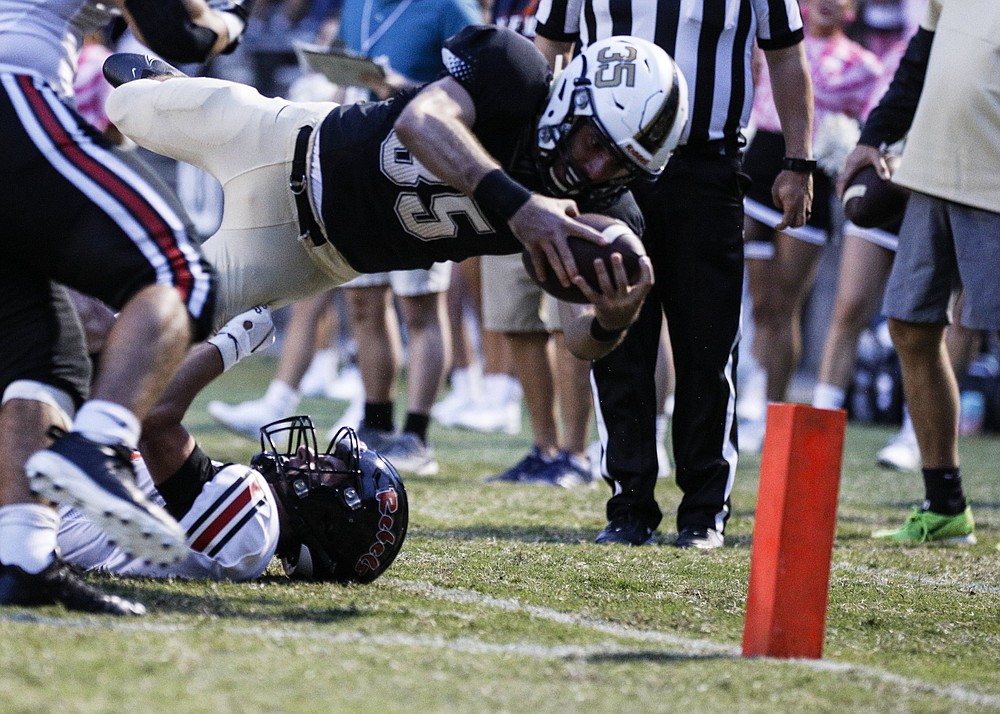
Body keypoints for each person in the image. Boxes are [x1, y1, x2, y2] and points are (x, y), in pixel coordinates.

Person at [100, 28, 688, 501]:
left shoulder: (602, 215)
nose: (595, 171)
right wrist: (520, 206)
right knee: (117, 94)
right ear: (575, 99)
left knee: (145, 323)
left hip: (304, 255)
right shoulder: (516, 71)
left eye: (620, 166)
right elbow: (420, 121)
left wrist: (616, 318)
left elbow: (579, 339)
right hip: (282, 140)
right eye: (595, 144)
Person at [0, 0, 252, 615]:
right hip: (12, 88)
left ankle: (22, 558)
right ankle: (102, 444)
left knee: (44, 352)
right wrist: (227, 23)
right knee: (179, 271)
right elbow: (178, 33)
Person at [534, 0, 814, 548]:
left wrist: (798, 160)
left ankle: (705, 509)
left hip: (707, 168)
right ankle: (629, 504)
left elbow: (785, 54)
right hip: (606, 168)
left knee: (707, 348)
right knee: (620, 343)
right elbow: (549, 50)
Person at [211, 0, 484, 477]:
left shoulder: (450, 7)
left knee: (421, 308)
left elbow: (482, 85)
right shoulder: (359, 5)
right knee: (363, 304)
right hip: (359, 165)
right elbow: (347, 78)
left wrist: (400, 88)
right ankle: (377, 423)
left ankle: (416, 434)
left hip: (420, 169)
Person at [837, 0, 1000, 547]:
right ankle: (945, 505)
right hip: (929, 173)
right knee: (909, 324)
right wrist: (873, 137)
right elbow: (920, 59)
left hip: (995, 185)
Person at [739, 0, 883, 453]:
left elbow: (872, 125)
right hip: (758, 164)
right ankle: (742, 403)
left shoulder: (865, 66)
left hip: (809, 174)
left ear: (853, 10)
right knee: (756, 303)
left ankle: (770, 412)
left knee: (784, 305)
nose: (827, 2)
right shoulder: (771, 43)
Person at [59, 411, 409, 584]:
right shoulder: (255, 525)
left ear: (329, 519)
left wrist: (228, 344)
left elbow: (157, 419)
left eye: (326, 466)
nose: (304, 452)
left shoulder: (255, 514)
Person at [479, 0, 597, 489]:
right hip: (509, 172)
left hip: (567, 174)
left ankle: (577, 452)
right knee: (516, 319)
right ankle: (543, 448)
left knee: (567, 322)